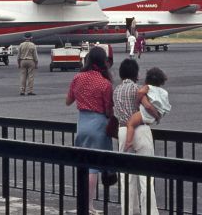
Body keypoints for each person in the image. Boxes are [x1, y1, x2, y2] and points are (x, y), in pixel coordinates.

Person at [65, 46, 114, 214]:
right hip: (98, 123)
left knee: (83, 164)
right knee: (93, 168)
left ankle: (81, 202)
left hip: (82, 123)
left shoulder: (77, 77)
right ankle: (89, 205)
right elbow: (108, 109)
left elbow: (68, 101)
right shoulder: (105, 83)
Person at [113, 59, 160, 215]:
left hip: (123, 131)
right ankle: (149, 211)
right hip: (140, 130)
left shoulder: (116, 90)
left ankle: (128, 210)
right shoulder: (137, 89)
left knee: (126, 177)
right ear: (136, 74)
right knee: (146, 177)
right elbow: (147, 106)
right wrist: (157, 115)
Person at [125, 68, 171, 151]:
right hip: (154, 116)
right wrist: (158, 116)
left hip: (145, 113)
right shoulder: (163, 92)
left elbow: (141, 95)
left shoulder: (147, 87)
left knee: (130, 123)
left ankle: (128, 142)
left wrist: (137, 102)